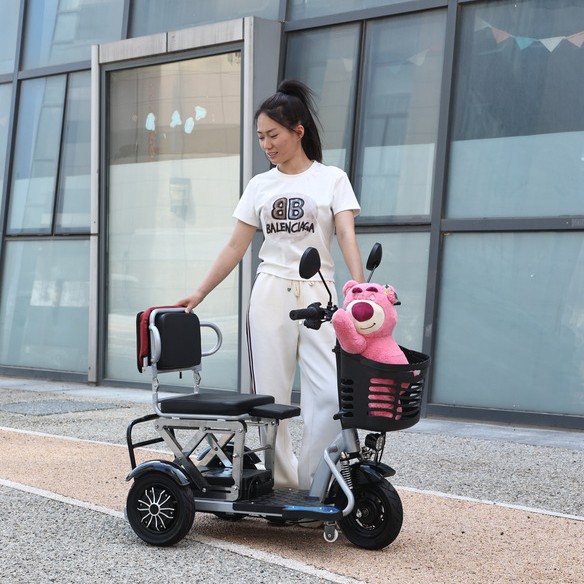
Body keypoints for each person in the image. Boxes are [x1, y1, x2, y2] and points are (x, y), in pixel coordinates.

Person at [177, 79, 364, 490]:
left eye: (273, 135)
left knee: (330, 396)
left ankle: (315, 483)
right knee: (271, 399)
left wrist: (360, 289)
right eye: (261, 136)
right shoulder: (260, 185)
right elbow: (235, 246)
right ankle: (280, 485)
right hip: (271, 293)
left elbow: (347, 235)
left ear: (298, 130)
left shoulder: (332, 179)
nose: (266, 144)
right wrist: (201, 292)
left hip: (320, 296)